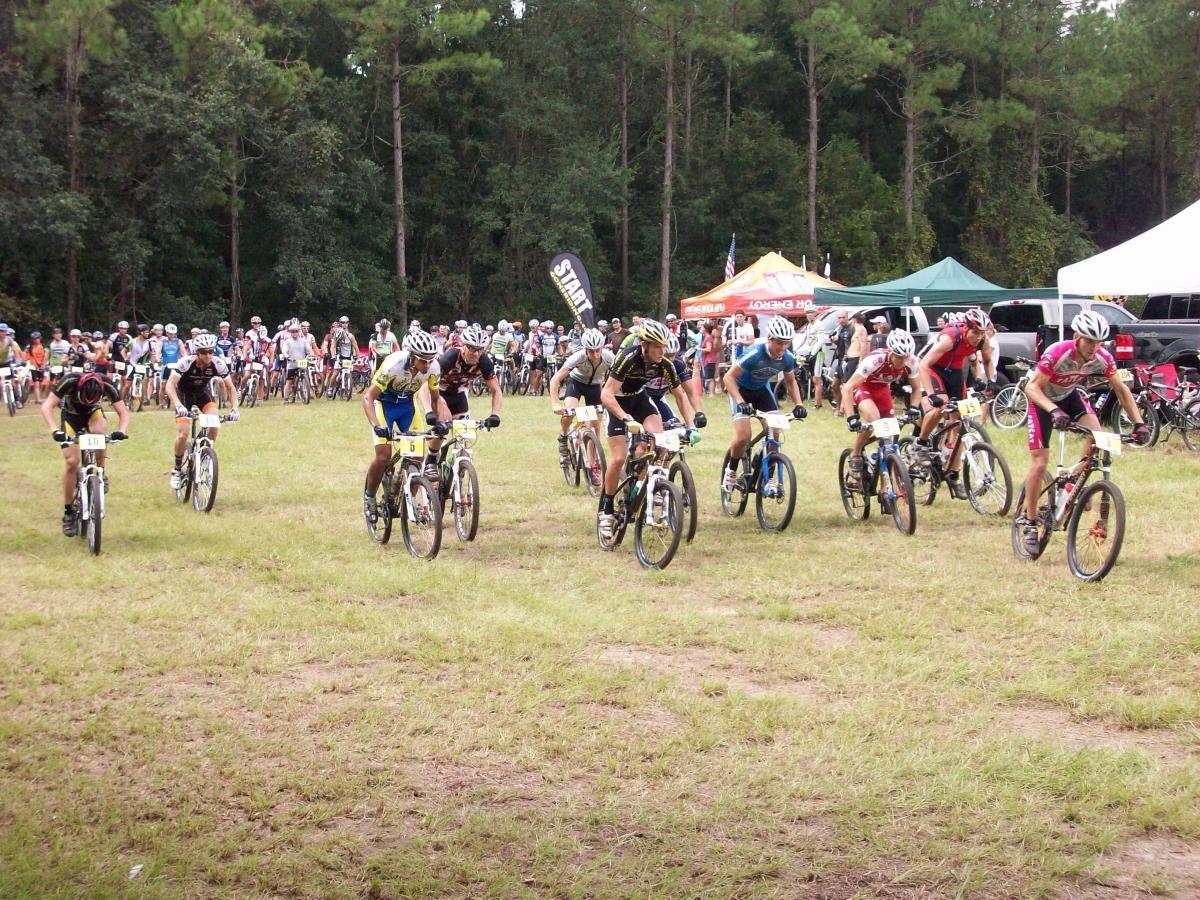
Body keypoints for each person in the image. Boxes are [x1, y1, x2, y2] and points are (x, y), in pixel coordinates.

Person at [1017, 311, 1148, 555]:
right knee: (1039, 463)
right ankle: (1030, 522)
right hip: (1042, 400)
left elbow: (1121, 389)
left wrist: (1139, 422)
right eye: (1089, 340)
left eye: (1098, 342)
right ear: (1076, 336)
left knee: (1097, 436)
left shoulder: (1102, 358)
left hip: (1068, 396)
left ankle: (1073, 480)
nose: (1093, 347)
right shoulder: (1058, 352)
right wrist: (1054, 411)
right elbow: (1032, 387)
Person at [597, 319, 698, 542]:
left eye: (664, 346)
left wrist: (690, 426)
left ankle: (652, 485)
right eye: (656, 347)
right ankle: (606, 509)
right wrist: (625, 419)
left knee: (661, 442)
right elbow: (606, 394)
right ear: (644, 345)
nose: (662, 351)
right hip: (617, 403)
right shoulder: (628, 357)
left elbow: (680, 395)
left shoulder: (665, 364)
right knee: (618, 458)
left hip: (640, 400)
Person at [361, 331, 444, 521]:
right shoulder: (394, 363)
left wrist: (439, 423)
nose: (428, 365)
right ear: (412, 357)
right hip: (384, 405)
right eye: (423, 361)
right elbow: (368, 397)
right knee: (383, 457)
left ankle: (408, 499)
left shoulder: (433, 368)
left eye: (431, 360)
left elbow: (436, 398)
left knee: (416, 457)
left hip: (407, 406)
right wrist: (376, 425)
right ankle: (370, 497)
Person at [913, 307, 993, 499]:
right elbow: (923, 364)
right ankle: (920, 443)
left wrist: (987, 381)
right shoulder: (950, 338)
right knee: (941, 407)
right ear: (966, 328)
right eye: (974, 332)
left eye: (981, 333)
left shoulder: (982, 340)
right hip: (933, 369)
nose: (977, 337)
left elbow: (986, 361)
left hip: (955, 373)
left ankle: (953, 476)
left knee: (960, 423)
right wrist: (931, 395)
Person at [720, 317, 807, 491]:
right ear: (770, 339)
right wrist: (740, 401)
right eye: (779, 343)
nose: (783, 348)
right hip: (740, 390)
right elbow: (728, 378)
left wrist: (799, 404)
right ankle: (731, 470)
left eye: (786, 344)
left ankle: (769, 478)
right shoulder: (755, 354)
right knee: (744, 436)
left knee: (774, 433)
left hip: (761, 391)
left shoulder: (787, 358)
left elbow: (791, 381)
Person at [40, 370, 129, 535]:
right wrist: (54, 431)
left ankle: (101, 471)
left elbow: (123, 412)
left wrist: (121, 431)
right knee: (71, 463)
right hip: (71, 418)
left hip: (92, 415)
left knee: (101, 433)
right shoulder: (69, 381)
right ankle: (68, 512)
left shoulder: (107, 383)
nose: (87, 402)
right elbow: (46, 406)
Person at [841, 329, 922, 480]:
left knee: (887, 435)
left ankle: (878, 464)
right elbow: (847, 388)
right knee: (874, 418)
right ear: (891, 352)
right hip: (864, 387)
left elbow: (917, 389)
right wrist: (851, 417)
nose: (902, 361)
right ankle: (856, 454)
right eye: (898, 357)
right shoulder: (875, 360)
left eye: (905, 357)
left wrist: (914, 408)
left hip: (882, 389)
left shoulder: (912, 362)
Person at [164, 333, 239, 489]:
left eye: (211, 351)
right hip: (183, 395)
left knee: (214, 424)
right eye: (204, 352)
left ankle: (206, 453)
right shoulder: (185, 363)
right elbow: (170, 386)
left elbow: (231, 388)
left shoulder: (218, 364)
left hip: (202, 394)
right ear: (197, 353)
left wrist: (235, 409)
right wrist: (178, 405)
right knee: (183, 434)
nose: (208, 355)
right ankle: (177, 469)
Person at [549, 327, 614, 458]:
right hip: (576, 383)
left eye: (598, 350)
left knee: (595, 427)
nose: (595, 355)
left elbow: (619, 379)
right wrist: (555, 403)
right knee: (570, 411)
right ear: (585, 349)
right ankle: (564, 434)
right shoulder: (578, 357)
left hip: (595, 386)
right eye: (591, 351)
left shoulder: (609, 357)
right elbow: (555, 379)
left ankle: (592, 461)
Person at [434, 326, 502, 426]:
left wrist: (495, 414)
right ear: (463, 345)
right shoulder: (450, 358)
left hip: (459, 393)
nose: (476, 354)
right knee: (443, 428)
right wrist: (429, 411)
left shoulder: (484, 361)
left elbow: (496, 390)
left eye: (480, 350)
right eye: (472, 349)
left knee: (464, 433)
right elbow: (428, 384)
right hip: (440, 392)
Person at [792, 309, 829, 408]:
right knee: (813, 377)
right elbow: (805, 339)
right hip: (810, 353)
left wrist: (813, 353)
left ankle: (818, 403)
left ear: (815, 314)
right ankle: (817, 401)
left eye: (811, 313)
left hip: (819, 353)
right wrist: (797, 349)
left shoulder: (819, 324)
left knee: (816, 378)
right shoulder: (809, 325)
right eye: (807, 313)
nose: (808, 315)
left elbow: (820, 340)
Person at [829, 310, 855, 415]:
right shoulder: (840, 328)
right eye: (839, 318)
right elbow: (841, 342)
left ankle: (843, 410)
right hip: (840, 360)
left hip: (848, 360)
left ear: (847, 317)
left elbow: (856, 343)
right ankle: (839, 406)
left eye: (843, 317)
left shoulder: (852, 328)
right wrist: (835, 340)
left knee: (845, 386)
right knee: (834, 385)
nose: (841, 320)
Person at [23, 331, 47, 403]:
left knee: (40, 383)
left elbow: (45, 356)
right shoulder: (29, 347)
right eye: (34, 339)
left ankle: (38, 398)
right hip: (33, 367)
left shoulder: (43, 346)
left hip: (41, 366)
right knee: (36, 383)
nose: (36, 340)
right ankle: (38, 399)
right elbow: (25, 356)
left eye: (37, 338)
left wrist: (43, 365)